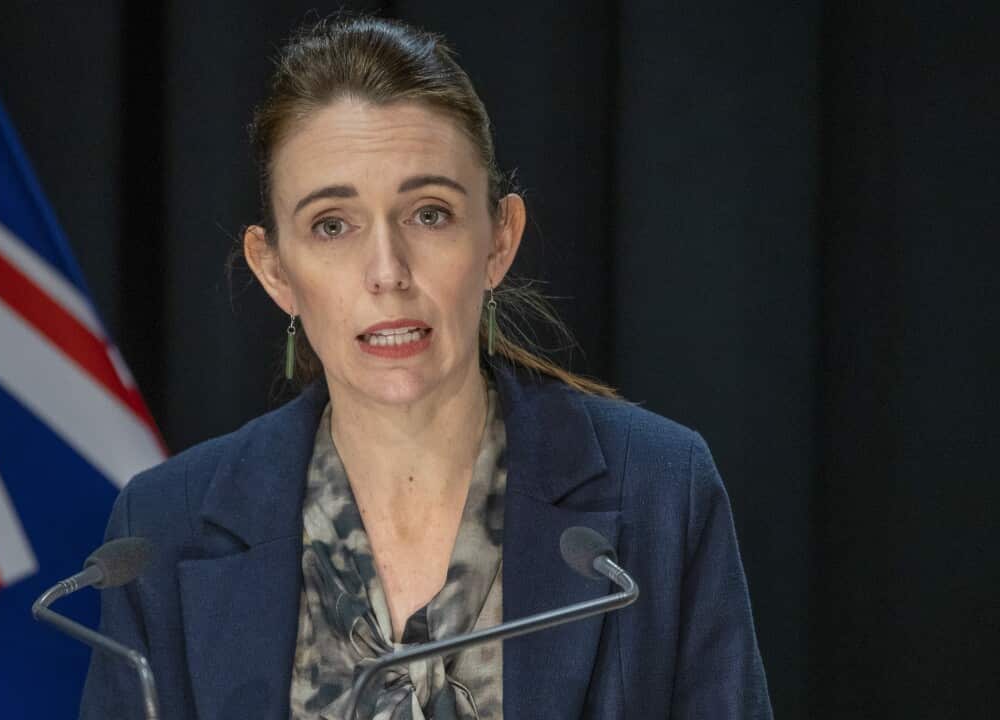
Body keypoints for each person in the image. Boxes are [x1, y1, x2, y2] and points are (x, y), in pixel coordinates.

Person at [80, 14, 770, 720]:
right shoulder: (164, 528)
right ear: (275, 269)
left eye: (429, 214)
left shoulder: (660, 493)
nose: (388, 271)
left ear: (499, 240)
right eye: (332, 225)